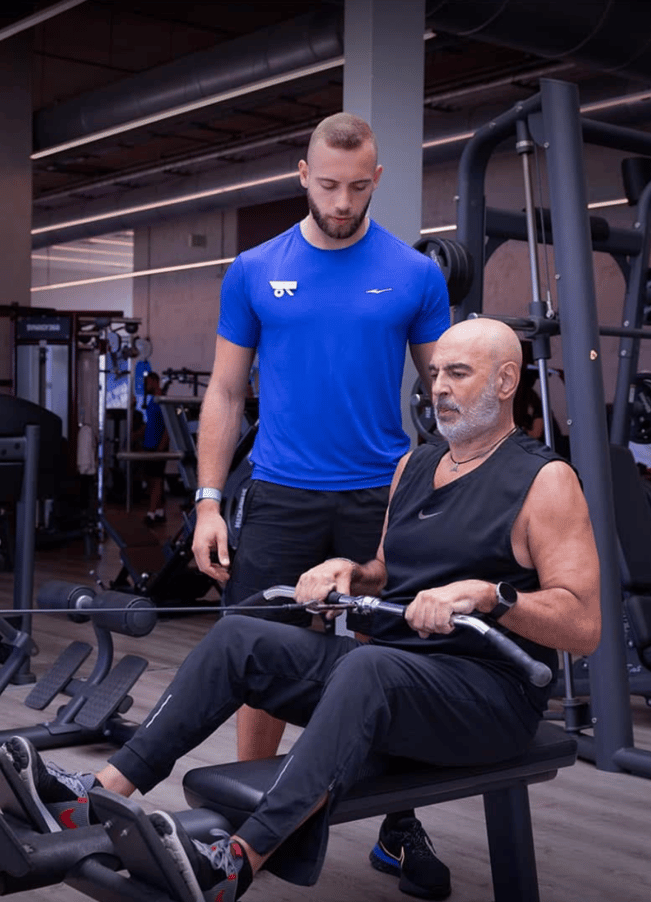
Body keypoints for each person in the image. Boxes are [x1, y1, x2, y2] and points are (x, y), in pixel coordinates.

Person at [2, 318, 602, 902]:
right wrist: (351, 569)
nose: (439, 386)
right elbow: (391, 572)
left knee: (370, 668)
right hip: (396, 680)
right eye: (436, 372)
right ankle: (99, 790)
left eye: (459, 373)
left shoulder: (544, 480)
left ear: (505, 382)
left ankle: (238, 861)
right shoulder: (414, 466)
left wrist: (489, 595)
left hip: (488, 698)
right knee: (242, 634)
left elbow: (583, 626)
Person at [189, 111, 451, 884]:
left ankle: (396, 824)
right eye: (328, 185)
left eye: (357, 187)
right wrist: (208, 500)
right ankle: (249, 824)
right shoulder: (252, 268)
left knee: (384, 665)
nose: (341, 201)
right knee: (259, 661)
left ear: (377, 180)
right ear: (303, 176)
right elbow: (226, 390)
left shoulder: (414, 274)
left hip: (381, 498)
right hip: (278, 496)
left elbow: (447, 390)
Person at [136, 371, 169, 525]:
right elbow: (150, 424)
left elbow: (169, 425)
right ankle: (160, 512)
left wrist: (162, 445)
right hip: (149, 444)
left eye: (147, 382)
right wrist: (137, 435)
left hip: (158, 446)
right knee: (154, 479)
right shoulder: (152, 400)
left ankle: (151, 514)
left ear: (155, 382)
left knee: (155, 480)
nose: (145, 386)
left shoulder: (162, 399)